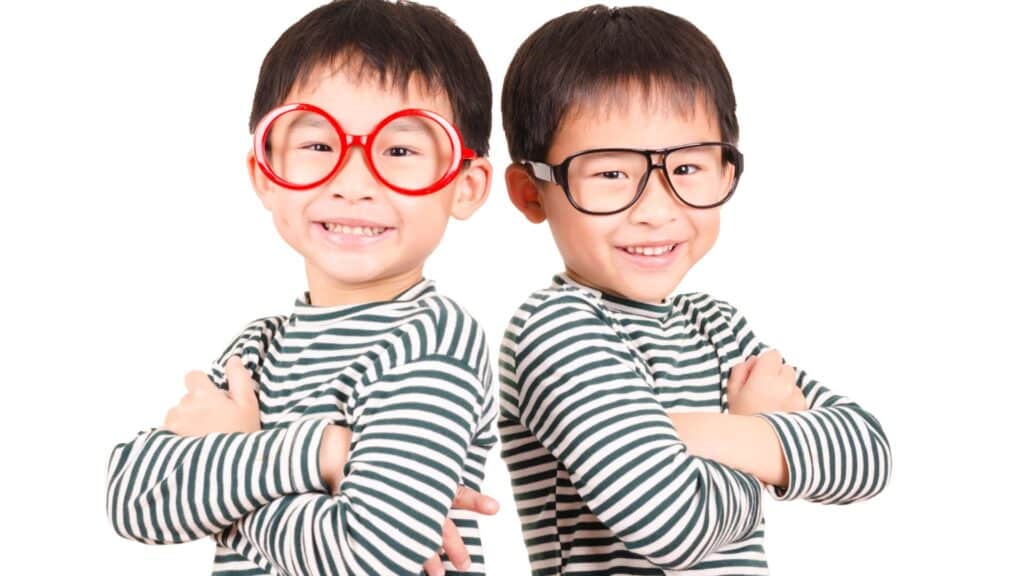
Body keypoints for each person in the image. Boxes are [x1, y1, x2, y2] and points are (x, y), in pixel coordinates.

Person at [498, 5, 893, 574]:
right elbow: (674, 525)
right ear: (532, 192)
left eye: (686, 169)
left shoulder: (716, 324)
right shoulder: (555, 329)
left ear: (726, 171)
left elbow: (865, 454)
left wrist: (697, 431)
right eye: (610, 173)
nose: (656, 210)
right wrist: (767, 440)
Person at [106, 1, 498, 574]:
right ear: (265, 174)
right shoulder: (257, 346)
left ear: (464, 187)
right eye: (319, 146)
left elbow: (371, 556)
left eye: (400, 151)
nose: (353, 184)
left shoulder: (435, 340)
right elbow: (134, 498)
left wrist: (230, 473)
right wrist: (324, 452)